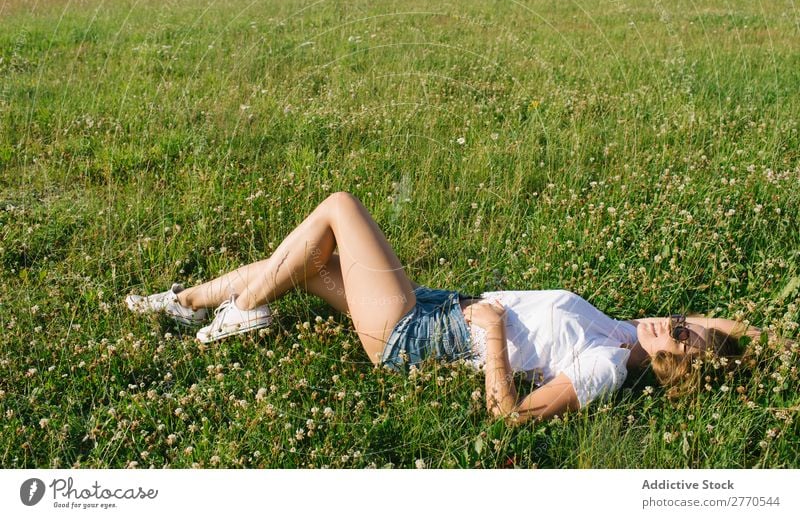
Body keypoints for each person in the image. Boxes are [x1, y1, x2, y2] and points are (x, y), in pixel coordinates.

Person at [125, 191, 765, 423]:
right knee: (309, 261)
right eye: (684, 323)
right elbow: (730, 333)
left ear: (666, 367)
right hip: (436, 308)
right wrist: (756, 342)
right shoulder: (626, 331)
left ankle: (244, 314)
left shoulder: (605, 366)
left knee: (340, 208)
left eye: (675, 341)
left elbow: (510, 416)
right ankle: (183, 303)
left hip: (418, 335)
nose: (671, 326)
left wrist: (489, 335)